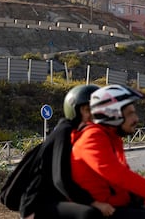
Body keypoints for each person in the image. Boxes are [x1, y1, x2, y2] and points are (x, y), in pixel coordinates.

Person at [71, 84, 145, 219]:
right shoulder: (92, 137)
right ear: (112, 115)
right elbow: (118, 174)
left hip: (117, 207)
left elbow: (126, 183)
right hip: (103, 212)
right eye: (130, 114)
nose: (136, 119)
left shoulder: (112, 138)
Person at [20, 84, 115, 219]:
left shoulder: (83, 134)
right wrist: (93, 202)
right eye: (91, 110)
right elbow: (61, 179)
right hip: (38, 205)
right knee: (89, 214)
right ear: (78, 110)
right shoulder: (65, 132)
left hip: (58, 199)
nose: (97, 115)